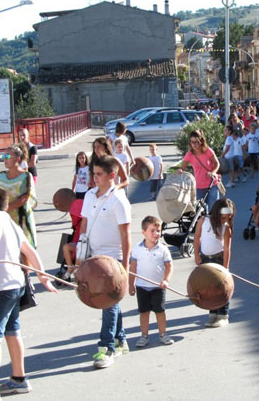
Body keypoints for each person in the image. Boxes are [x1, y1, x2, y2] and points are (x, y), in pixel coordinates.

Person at [0, 187, 56, 401]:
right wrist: (42, 275)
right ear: (6, 205)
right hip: (16, 283)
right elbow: (29, 250)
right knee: (12, 331)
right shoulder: (11, 222)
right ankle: (19, 378)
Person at [78, 155, 132, 369]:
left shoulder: (119, 200)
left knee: (107, 301)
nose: (95, 178)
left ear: (112, 176)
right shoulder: (90, 195)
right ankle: (121, 340)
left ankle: (106, 347)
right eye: (94, 174)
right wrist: (80, 256)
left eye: (99, 174)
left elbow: (126, 235)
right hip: (93, 256)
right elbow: (84, 224)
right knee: (112, 301)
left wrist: (125, 267)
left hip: (113, 259)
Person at [129, 216, 173, 347]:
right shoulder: (137, 249)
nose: (156, 234)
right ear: (143, 232)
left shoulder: (163, 249)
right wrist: (131, 284)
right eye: (152, 231)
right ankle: (144, 335)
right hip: (142, 286)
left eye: (158, 231)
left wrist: (166, 280)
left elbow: (169, 266)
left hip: (158, 286)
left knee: (160, 311)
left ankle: (163, 334)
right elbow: (132, 268)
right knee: (144, 312)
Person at [194, 198, 235, 327]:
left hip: (219, 258)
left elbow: (227, 248)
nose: (225, 221)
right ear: (217, 214)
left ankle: (223, 314)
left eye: (228, 218)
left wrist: (226, 266)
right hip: (206, 258)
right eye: (223, 218)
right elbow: (197, 237)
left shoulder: (226, 227)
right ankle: (212, 312)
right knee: (209, 286)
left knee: (221, 287)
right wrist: (196, 254)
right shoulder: (203, 221)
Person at [0, 145, 37, 248]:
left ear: (18, 158)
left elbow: (25, 197)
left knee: (24, 253)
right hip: (4, 220)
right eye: (3, 157)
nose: (5, 160)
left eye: (8, 156)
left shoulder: (26, 176)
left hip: (22, 221)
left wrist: (5, 208)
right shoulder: (1, 176)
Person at [179, 129, 220, 211]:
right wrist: (179, 171)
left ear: (201, 141)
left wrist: (212, 172)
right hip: (198, 186)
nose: (194, 144)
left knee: (213, 210)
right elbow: (182, 168)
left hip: (212, 184)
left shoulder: (208, 151)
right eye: (192, 142)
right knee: (200, 211)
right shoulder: (189, 154)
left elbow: (217, 164)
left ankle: (213, 223)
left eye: (196, 142)